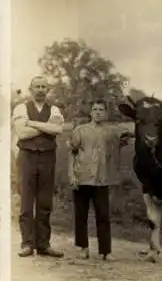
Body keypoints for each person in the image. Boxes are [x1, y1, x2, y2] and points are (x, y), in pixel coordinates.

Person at [68, 100, 131, 261]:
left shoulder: (111, 132)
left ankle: (106, 251)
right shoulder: (80, 130)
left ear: (105, 113)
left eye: (101, 109)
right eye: (94, 109)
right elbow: (72, 153)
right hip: (82, 178)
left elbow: (126, 138)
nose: (97, 112)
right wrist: (72, 175)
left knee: (103, 215)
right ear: (90, 112)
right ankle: (83, 248)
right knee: (80, 215)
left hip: (102, 179)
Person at [12, 75, 64, 257]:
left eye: (44, 87)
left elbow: (57, 129)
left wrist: (32, 123)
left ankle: (43, 244)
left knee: (45, 202)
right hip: (27, 157)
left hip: (48, 158)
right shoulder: (21, 107)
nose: (41, 89)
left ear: (47, 90)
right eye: (37, 86)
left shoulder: (54, 109)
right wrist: (46, 127)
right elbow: (22, 133)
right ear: (31, 89)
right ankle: (27, 243)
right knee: (26, 201)